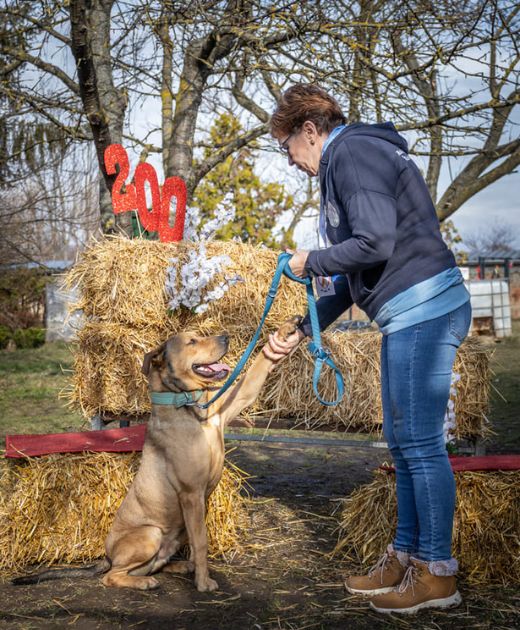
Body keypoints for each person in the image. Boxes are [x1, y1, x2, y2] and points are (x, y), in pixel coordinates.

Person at [263, 84, 472, 615]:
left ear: (309, 130)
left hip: (423, 308)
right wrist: (301, 328)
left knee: (420, 445)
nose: (293, 162)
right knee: (402, 444)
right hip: (408, 312)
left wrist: (309, 260)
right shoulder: (348, 161)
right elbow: (352, 273)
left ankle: (437, 574)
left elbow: (375, 243)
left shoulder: (351, 153)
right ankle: (405, 557)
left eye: (289, 147)